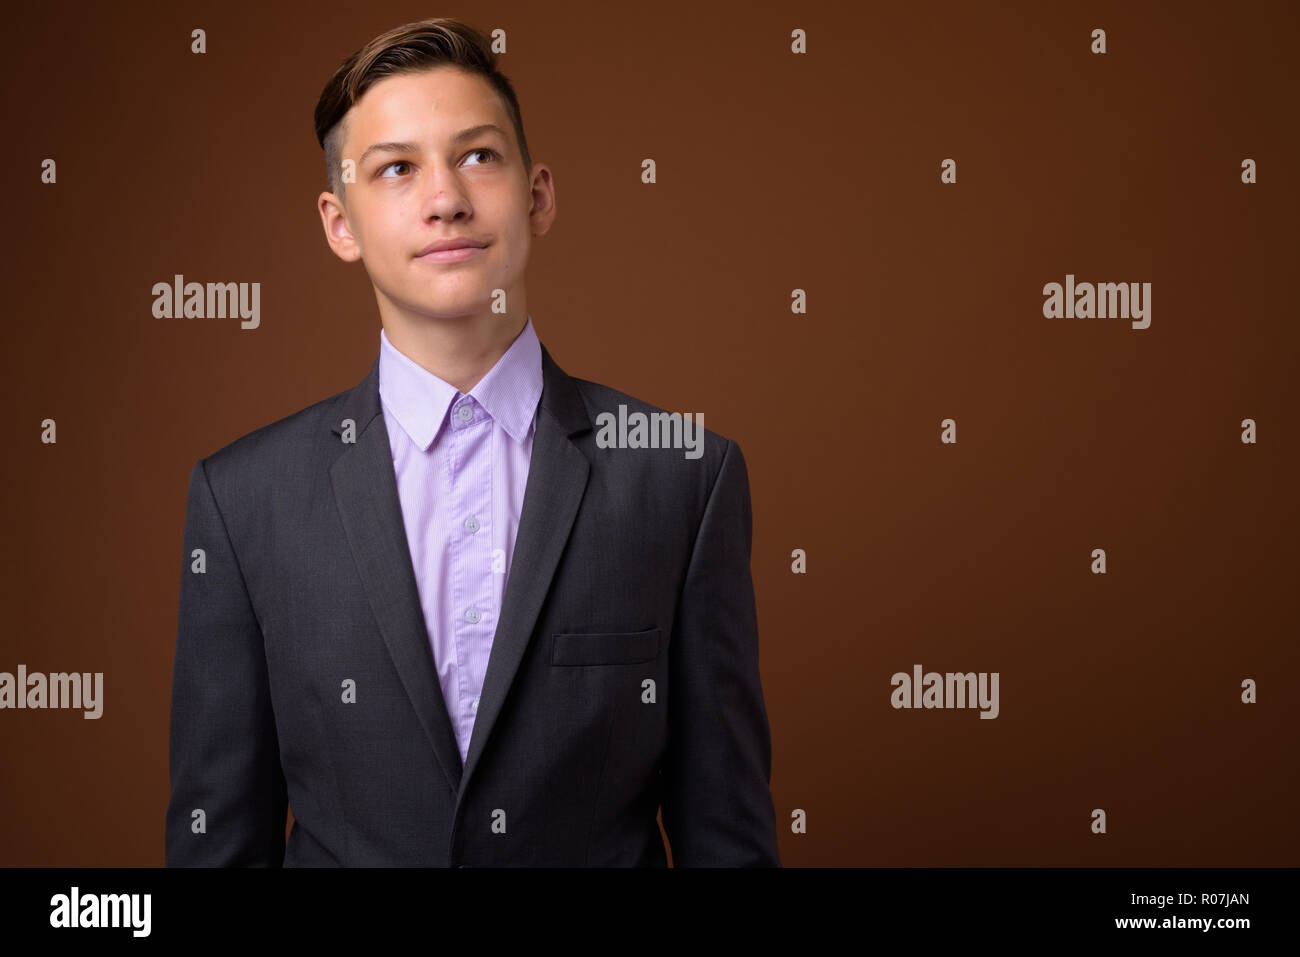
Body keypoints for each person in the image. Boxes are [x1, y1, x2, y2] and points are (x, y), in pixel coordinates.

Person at [165, 17, 779, 867]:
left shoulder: (682, 478)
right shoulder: (243, 502)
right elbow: (216, 844)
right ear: (340, 224)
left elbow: (728, 838)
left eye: (480, 155)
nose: (445, 196)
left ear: (539, 195)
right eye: (396, 168)